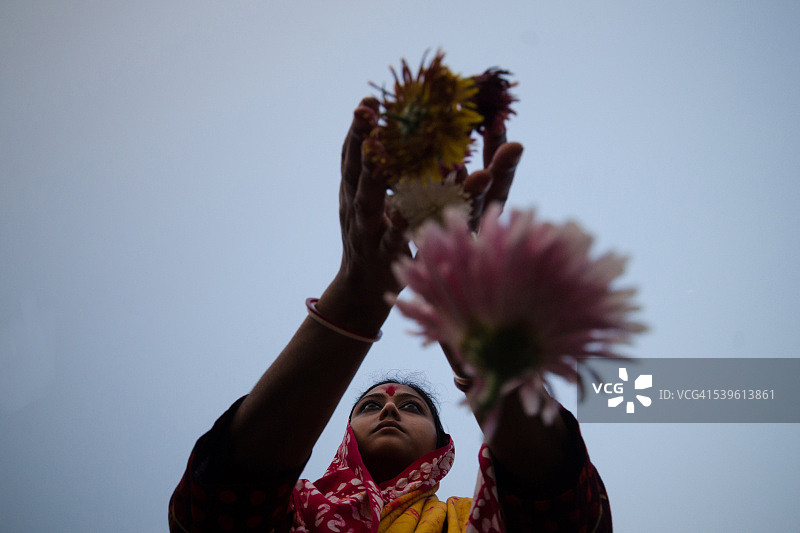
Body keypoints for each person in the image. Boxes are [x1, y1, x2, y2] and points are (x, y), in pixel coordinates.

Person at [169, 97, 612, 532]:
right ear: (343, 436)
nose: (389, 410)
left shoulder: (468, 520)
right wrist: (355, 299)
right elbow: (212, 510)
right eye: (370, 405)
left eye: (411, 406)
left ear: (442, 448)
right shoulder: (297, 514)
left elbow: (566, 511)